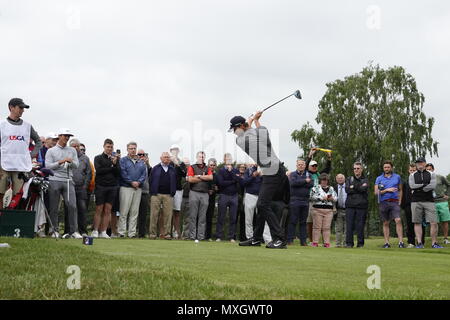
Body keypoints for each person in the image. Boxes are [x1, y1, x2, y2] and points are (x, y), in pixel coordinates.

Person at [230, 111, 287, 249]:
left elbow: (249, 132)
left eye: (234, 129)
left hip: (273, 170)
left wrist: (251, 120)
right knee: (262, 205)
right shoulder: (259, 132)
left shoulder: (242, 139)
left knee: (262, 205)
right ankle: (256, 238)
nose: (233, 132)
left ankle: (280, 239)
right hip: (273, 170)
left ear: (241, 126)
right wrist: (255, 119)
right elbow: (258, 131)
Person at [0, 98, 42, 209]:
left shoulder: (27, 126)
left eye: (23, 108)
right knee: (1, 193)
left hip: (21, 166)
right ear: (11, 107)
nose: (22, 110)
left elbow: (38, 142)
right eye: (20, 107)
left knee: (18, 194)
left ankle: (12, 221)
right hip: (4, 164)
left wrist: (31, 155)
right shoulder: (2, 124)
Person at [45, 128, 80, 238]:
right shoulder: (51, 151)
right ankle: (54, 230)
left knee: (72, 205)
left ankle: (73, 231)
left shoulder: (72, 150)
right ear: (59, 136)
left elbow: (76, 165)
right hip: (54, 179)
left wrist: (70, 162)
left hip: (68, 180)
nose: (67, 138)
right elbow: (48, 166)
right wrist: (61, 161)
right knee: (54, 207)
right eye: (65, 135)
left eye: (68, 136)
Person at [410, 157, 442, 248]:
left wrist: (419, 187)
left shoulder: (432, 174)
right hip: (416, 201)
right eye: (418, 163)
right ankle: (419, 243)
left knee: (433, 222)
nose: (419, 164)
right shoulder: (412, 175)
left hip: (429, 201)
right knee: (417, 222)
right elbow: (412, 186)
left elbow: (432, 186)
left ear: (424, 163)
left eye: (421, 163)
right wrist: (424, 185)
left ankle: (434, 243)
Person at [92, 139, 120, 238]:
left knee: (108, 210)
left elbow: (118, 173)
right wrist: (111, 167)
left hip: (112, 187)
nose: (109, 148)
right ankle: (95, 230)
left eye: (111, 147)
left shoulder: (115, 159)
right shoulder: (98, 158)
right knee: (99, 209)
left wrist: (115, 163)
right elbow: (99, 170)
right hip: (100, 186)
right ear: (104, 146)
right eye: (108, 147)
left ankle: (103, 231)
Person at [118, 142, 147, 238]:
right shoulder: (123, 160)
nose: (133, 150)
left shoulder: (141, 162)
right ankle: (121, 232)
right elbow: (123, 173)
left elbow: (144, 175)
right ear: (127, 149)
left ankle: (131, 233)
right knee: (124, 211)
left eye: (134, 148)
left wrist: (138, 182)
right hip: (126, 187)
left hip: (138, 188)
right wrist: (131, 182)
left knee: (134, 212)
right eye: (131, 148)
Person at [374, 160, 405, 248]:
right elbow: (376, 192)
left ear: (391, 167)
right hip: (383, 202)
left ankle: (401, 242)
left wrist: (400, 201)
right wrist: (387, 190)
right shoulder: (379, 178)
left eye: (388, 167)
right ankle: (387, 243)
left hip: (394, 202)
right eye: (385, 167)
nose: (386, 169)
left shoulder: (397, 177)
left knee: (398, 220)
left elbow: (400, 190)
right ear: (383, 168)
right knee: (386, 223)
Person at [305, 148, 332, 243]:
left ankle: (316, 240)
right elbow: (304, 166)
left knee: (318, 221)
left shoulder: (319, 174)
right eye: (312, 166)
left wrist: (329, 158)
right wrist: (309, 155)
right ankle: (311, 239)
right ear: (309, 166)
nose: (314, 167)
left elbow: (327, 169)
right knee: (309, 220)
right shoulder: (306, 173)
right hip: (309, 199)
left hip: (319, 200)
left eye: (315, 165)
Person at [149, 152, 177, 239]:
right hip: (156, 194)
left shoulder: (172, 169)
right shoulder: (155, 168)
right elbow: (150, 180)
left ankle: (167, 234)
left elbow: (175, 181)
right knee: (154, 214)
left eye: (168, 157)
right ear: (161, 158)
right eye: (165, 157)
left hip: (168, 195)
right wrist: (152, 192)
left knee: (168, 215)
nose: (167, 159)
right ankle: (152, 234)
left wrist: (173, 192)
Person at [187, 151, 213, 241]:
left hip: (205, 194)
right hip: (194, 192)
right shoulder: (192, 167)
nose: (201, 158)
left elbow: (210, 177)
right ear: (196, 157)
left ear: (204, 158)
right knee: (193, 216)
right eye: (199, 157)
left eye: (202, 157)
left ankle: (201, 236)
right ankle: (192, 236)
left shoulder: (207, 167)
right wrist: (203, 177)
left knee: (202, 217)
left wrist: (198, 176)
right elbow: (190, 179)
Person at [68, 138, 92, 237]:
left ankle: (83, 231)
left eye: (78, 146)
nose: (76, 148)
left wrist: (85, 186)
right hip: (69, 187)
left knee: (82, 210)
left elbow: (88, 173)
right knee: (70, 209)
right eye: (74, 146)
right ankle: (69, 231)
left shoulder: (85, 158)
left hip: (81, 188)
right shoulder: (67, 156)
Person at [215, 153, 241, 242]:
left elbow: (238, 180)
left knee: (233, 218)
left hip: (234, 196)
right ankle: (219, 236)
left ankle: (231, 237)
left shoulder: (236, 170)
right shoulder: (221, 170)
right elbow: (221, 183)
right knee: (221, 217)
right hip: (223, 195)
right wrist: (232, 181)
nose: (229, 160)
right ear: (224, 160)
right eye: (227, 159)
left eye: (230, 159)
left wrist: (231, 173)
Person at [287, 159, 314, 246]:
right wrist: (305, 181)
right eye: (299, 164)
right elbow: (293, 183)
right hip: (295, 200)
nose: (301, 166)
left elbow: (311, 184)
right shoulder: (293, 174)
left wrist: (302, 183)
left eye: (302, 164)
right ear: (296, 165)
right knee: (293, 221)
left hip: (305, 201)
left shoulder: (309, 174)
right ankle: (290, 239)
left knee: (303, 222)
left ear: (305, 165)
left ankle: (303, 241)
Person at [345, 162, 369, 248]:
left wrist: (353, 187)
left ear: (361, 169)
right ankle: (349, 243)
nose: (356, 170)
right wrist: (357, 187)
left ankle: (360, 244)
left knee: (360, 225)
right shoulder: (349, 179)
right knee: (349, 225)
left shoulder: (365, 179)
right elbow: (347, 190)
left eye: (358, 168)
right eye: (355, 168)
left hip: (361, 206)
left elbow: (363, 189)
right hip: (350, 206)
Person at [309, 173, 337, 247]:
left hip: (328, 210)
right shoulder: (315, 188)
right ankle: (315, 242)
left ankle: (326, 243)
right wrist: (320, 198)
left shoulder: (331, 188)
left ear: (328, 181)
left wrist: (332, 199)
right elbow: (311, 197)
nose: (324, 182)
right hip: (317, 209)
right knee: (317, 227)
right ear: (320, 181)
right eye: (323, 180)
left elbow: (336, 198)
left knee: (326, 227)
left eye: (326, 180)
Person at [425, 163, 450, 244]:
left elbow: (448, 185)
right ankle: (434, 240)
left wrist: (447, 194)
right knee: (434, 222)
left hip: (442, 201)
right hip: (431, 202)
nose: (429, 170)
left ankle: (445, 238)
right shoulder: (424, 179)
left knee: (445, 221)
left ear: (433, 169)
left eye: (430, 169)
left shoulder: (440, 177)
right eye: (427, 169)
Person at [401, 164, 424, 247]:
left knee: (419, 223)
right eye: (411, 170)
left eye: (414, 170)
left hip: (419, 205)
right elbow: (402, 194)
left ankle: (421, 242)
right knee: (409, 224)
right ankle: (411, 242)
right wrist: (403, 206)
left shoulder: (421, 181)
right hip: (408, 206)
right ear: (408, 171)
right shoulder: (405, 182)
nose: (412, 172)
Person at [169, 145, 187, 239]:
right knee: (167, 212)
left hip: (178, 190)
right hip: (167, 190)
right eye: (173, 150)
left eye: (176, 150)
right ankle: (166, 232)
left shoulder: (181, 163)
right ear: (170, 151)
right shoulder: (167, 161)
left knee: (176, 211)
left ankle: (176, 232)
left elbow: (185, 174)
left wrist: (178, 164)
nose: (175, 151)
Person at [242, 163, 262, 242]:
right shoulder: (249, 170)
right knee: (249, 219)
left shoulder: (264, 171)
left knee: (261, 218)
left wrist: (262, 176)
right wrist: (253, 176)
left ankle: (260, 237)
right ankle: (250, 237)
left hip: (261, 196)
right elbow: (244, 182)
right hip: (250, 195)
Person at [137, 149, 152, 238]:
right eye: (139, 154)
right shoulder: (135, 164)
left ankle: (141, 233)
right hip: (135, 190)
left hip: (145, 191)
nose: (141, 156)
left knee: (143, 214)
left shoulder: (147, 165)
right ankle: (132, 232)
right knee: (134, 213)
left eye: (143, 154)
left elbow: (152, 174)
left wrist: (147, 163)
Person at [205, 158, 218, 241]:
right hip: (204, 196)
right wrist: (207, 190)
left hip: (212, 198)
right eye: (211, 165)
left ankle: (208, 236)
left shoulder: (216, 175)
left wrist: (216, 188)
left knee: (209, 217)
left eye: (213, 165)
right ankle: (200, 235)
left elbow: (218, 185)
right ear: (208, 165)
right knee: (202, 217)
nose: (212, 167)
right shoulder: (205, 173)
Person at [333, 174, 347, 247]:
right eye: (338, 178)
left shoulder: (348, 187)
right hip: (338, 210)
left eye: (341, 178)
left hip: (348, 209)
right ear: (336, 179)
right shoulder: (334, 188)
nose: (340, 179)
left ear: (344, 179)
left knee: (347, 229)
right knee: (338, 228)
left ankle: (345, 244)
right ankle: (338, 244)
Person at [181, 157, 191, 239]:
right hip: (180, 196)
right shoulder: (180, 173)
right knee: (177, 216)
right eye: (185, 165)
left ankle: (185, 235)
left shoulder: (192, 173)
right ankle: (175, 233)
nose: (187, 166)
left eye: (188, 164)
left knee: (187, 218)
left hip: (189, 197)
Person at [236, 163, 247, 241]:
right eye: (241, 167)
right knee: (234, 218)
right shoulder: (235, 175)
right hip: (236, 197)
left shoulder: (247, 176)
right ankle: (232, 237)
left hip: (245, 198)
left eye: (244, 167)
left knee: (243, 219)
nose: (242, 168)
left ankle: (243, 237)